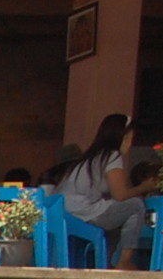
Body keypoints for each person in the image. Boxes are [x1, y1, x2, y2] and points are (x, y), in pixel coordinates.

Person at [58, 113, 154, 266]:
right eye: (129, 138)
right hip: (83, 211)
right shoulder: (112, 156)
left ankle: (106, 263)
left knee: (117, 217)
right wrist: (145, 187)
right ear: (120, 137)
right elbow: (121, 195)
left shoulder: (89, 157)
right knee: (135, 205)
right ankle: (125, 262)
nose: (129, 144)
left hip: (65, 212)